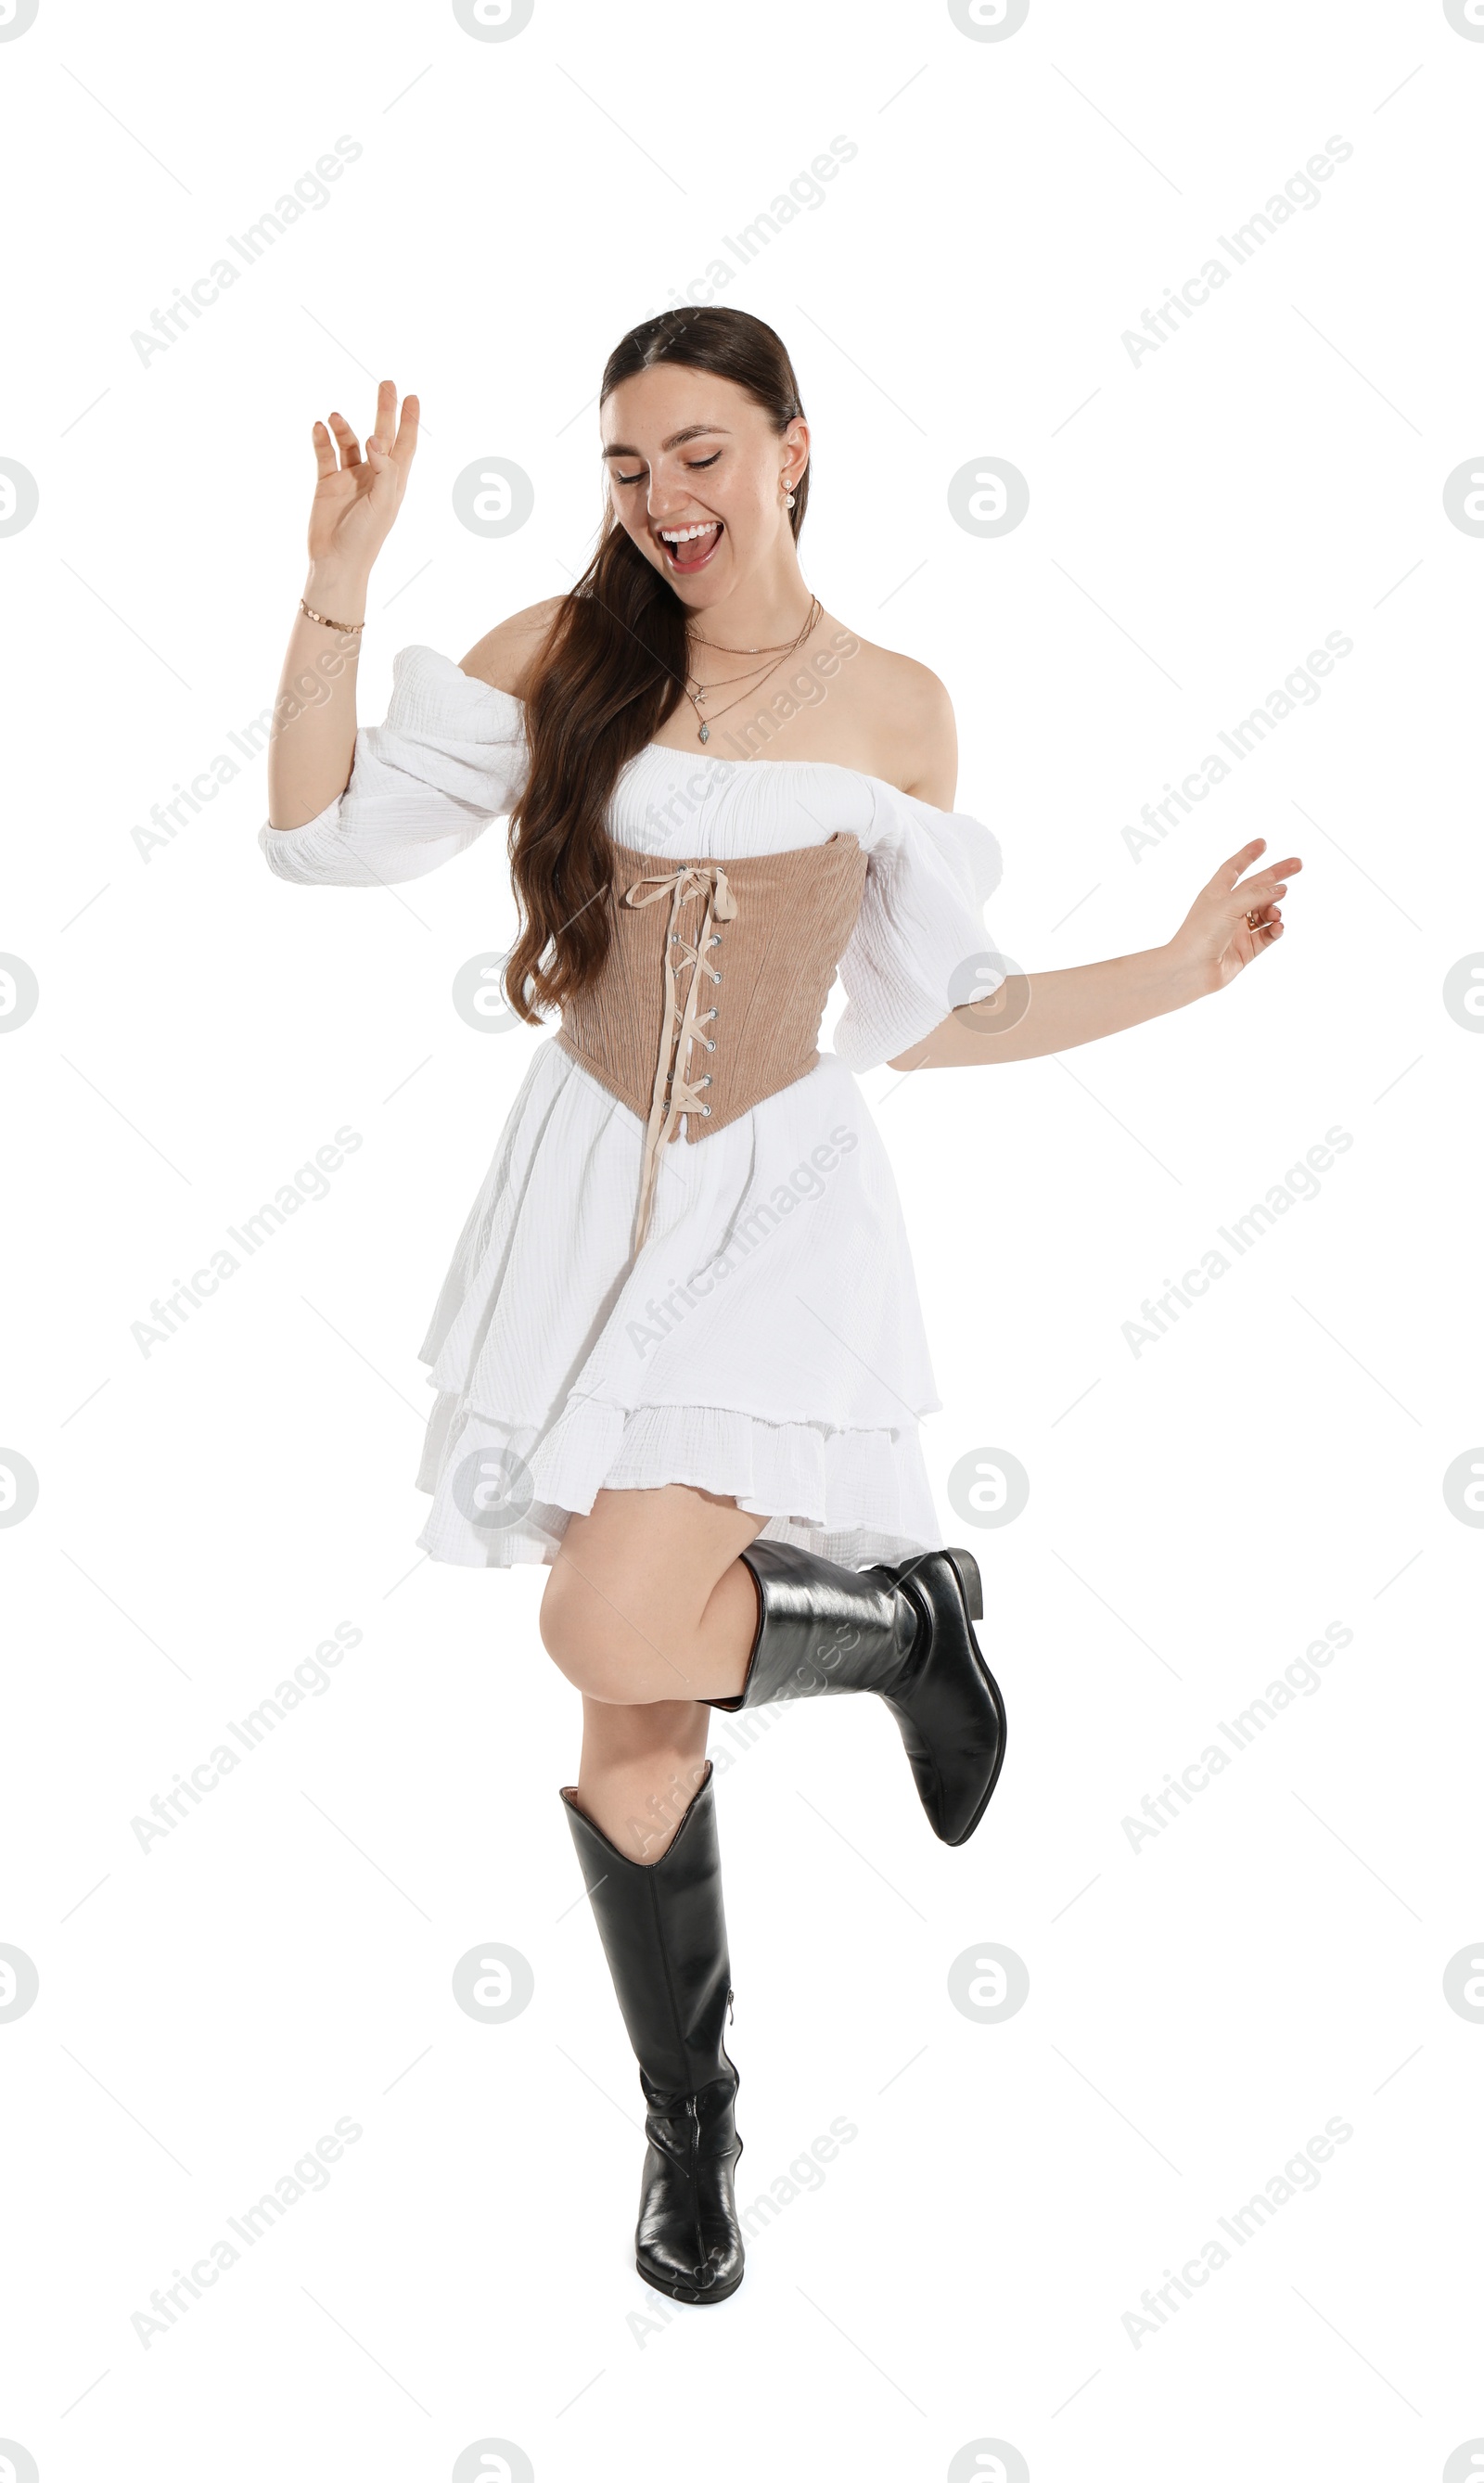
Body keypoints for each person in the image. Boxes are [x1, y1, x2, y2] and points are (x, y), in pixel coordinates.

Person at [260, 307, 1300, 2307]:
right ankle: (693, 2130)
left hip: (775, 1207)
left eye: (701, 454)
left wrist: (1170, 973)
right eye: (627, 465)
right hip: (581, 1194)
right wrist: (335, 586)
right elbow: (317, 842)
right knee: (629, 1701)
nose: (663, 501)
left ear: (794, 451)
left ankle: (908, 1622)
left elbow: (941, 1011)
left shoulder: (895, 707)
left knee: (605, 1609)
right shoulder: (564, 653)